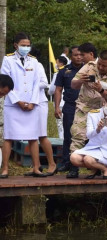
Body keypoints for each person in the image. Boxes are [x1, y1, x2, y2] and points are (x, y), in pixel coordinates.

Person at [70, 49, 107, 178]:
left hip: (105, 109)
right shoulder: (89, 67)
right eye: (99, 64)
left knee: (106, 137)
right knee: (77, 135)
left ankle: (106, 165)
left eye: (104, 65)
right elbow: (73, 84)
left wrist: (102, 90)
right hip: (85, 107)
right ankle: (73, 169)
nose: (100, 67)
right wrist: (81, 81)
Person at [0, 32, 46, 178]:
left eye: (28, 45)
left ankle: (36, 168)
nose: (26, 48)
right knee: (9, 136)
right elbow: (5, 82)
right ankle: (5, 168)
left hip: (31, 103)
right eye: (23, 45)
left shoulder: (33, 61)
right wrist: (18, 101)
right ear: (16, 45)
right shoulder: (7, 59)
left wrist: (32, 102)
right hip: (14, 103)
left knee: (33, 137)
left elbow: (36, 83)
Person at [70, 94, 107, 179]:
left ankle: (106, 170)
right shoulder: (93, 114)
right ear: (104, 102)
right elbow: (89, 135)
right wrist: (97, 129)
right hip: (93, 148)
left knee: (88, 159)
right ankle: (96, 167)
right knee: (74, 158)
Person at [53, 46, 83, 174]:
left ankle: (84, 162)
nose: (79, 57)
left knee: (85, 135)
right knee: (68, 135)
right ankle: (66, 162)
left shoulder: (89, 69)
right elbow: (58, 89)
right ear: (71, 56)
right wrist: (56, 107)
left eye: (81, 55)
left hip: (85, 107)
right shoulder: (64, 71)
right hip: (70, 105)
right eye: (76, 55)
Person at [28, 47, 57, 176]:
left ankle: (52, 164)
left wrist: (30, 85)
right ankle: (36, 165)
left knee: (42, 135)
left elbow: (45, 83)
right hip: (28, 104)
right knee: (31, 136)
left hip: (39, 103)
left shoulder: (38, 65)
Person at [49, 56, 68, 139]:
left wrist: (49, 92)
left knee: (60, 126)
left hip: (59, 102)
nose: (56, 64)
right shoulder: (70, 72)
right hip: (68, 102)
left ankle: (62, 143)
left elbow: (52, 89)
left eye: (57, 62)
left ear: (60, 63)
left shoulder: (58, 73)